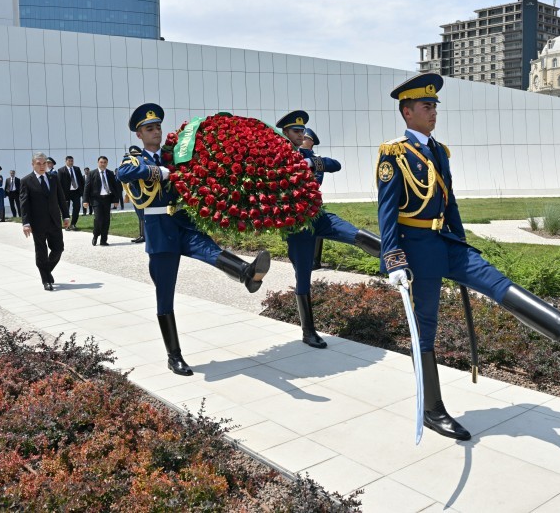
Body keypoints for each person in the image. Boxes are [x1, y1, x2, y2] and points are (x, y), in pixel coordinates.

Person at [377, 73, 560, 441]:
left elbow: (450, 201)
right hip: (416, 249)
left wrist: (458, 240)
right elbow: (387, 210)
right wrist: (393, 258)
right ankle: (432, 409)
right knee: (425, 329)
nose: (433, 111)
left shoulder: (439, 151)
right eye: (426, 106)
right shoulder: (393, 153)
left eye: (434, 106)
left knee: (494, 280)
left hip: (446, 243)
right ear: (407, 112)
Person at [118, 103, 272, 377]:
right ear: (139, 135)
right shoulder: (136, 158)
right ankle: (173, 356)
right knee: (165, 295)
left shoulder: (172, 155)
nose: (156, 132)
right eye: (149, 129)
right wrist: (159, 173)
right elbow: (124, 174)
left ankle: (246, 273)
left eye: (157, 128)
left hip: (183, 222)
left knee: (209, 250)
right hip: (159, 229)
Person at [276, 110, 381, 349]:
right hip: (297, 225)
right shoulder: (275, 155)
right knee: (303, 275)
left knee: (356, 234)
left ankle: (394, 256)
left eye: (303, 131)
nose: (301, 135)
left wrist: (311, 161)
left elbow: (336, 164)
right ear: (284, 133)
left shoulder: (307, 155)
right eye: (296, 131)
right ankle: (308, 331)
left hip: (319, 215)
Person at [20, 152, 70, 290]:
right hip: (38, 223)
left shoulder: (53, 178)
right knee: (41, 252)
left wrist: (66, 216)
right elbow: (24, 204)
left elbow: (61, 197)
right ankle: (46, 280)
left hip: (54, 221)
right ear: (33, 164)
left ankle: (46, 271)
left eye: (44, 163)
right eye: (39, 164)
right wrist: (26, 223)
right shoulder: (26, 181)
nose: (42, 166)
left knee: (58, 249)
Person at [302, 127, 325, 269]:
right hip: (297, 202)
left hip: (311, 200)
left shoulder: (317, 160)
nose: (301, 138)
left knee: (315, 229)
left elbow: (317, 181)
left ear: (311, 142)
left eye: (305, 138)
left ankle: (314, 261)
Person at [83, 156, 116, 246]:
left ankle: (103, 240)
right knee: (98, 219)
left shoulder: (110, 173)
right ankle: (96, 235)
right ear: (98, 163)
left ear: (107, 163)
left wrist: (116, 200)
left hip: (107, 199)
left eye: (105, 162)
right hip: (96, 199)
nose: (103, 164)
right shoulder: (92, 173)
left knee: (106, 220)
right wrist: (85, 200)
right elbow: (87, 187)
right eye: (101, 162)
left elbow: (115, 187)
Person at [58, 155, 84, 231]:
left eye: (72, 161)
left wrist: (82, 191)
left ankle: (73, 224)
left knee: (77, 207)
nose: (71, 162)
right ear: (66, 161)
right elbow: (59, 184)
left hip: (76, 192)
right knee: (65, 210)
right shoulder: (61, 170)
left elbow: (81, 181)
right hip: (66, 193)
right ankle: (66, 225)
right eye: (69, 161)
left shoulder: (77, 169)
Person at [126, 147, 145, 243]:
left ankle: (144, 235)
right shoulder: (129, 163)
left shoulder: (141, 163)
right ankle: (142, 234)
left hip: (140, 191)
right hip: (134, 192)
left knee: (142, 213)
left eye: (134, 155)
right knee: (139, 214)